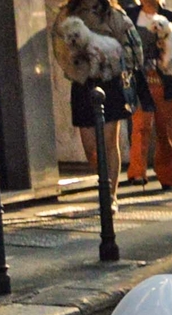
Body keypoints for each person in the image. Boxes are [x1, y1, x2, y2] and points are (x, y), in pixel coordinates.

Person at [54, 0, 139, 185]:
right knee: (90, 148)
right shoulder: (67, 14)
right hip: (82, 84)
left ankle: (110, 193)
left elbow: (131, 45)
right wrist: (74, 68)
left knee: (109, 142)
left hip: (109, 82)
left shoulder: (113, 14)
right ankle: (104, 182)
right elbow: (59, 47)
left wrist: (117, 65)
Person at [124, 0, 172, 189]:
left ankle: (167, 175)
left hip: (165, 81)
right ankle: (136, 173)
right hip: (140, 80)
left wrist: (168, 57)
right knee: (140, 126)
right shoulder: (130, 16)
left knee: (164, 130)